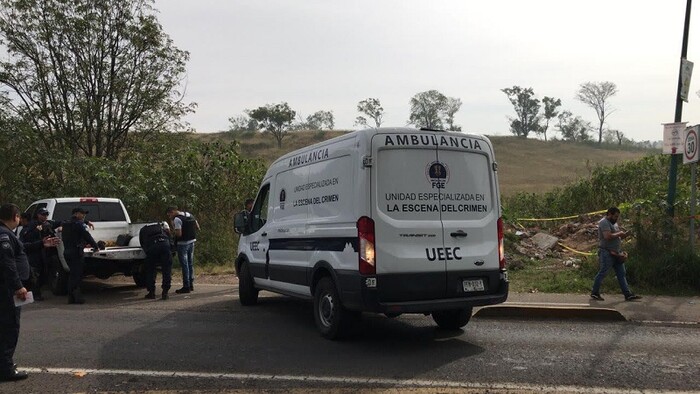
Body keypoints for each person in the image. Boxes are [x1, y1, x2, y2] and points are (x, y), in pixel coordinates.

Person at [0, 203, 30, 382]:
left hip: (5, 288)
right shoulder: (4, 235)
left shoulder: (6, 234)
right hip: (7, 290)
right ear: (15, 217)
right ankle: (5, 370)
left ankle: (4, 364)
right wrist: (18, 286)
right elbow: (7, 263)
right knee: (9, 328)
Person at [591, 207, 641, 301]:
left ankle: (627, 294)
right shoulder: (604, 222)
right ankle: (595, 292)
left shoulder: (614, 224)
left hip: (616, 253)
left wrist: (624, 235)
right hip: (607, 252)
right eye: (615, 216)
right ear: (609, 214)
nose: (616, 218)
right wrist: (619, 234)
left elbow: (616, 236)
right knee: (603, 272)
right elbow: (607, 236)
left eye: (617, 217)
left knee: (621, 273)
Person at [19, 208, 59, 301]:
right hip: (33, 254)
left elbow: (60, 222)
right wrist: (38, 235)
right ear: (38, 215)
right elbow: (25, 242)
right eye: (43, 214)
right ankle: (34, 295)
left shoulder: (47, 224)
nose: (45, 216)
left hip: (44, 254)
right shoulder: (32, 226)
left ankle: (35, 293)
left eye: (46, 214)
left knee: (44, 275)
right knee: (34, 277)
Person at [61, 207, 98, 304]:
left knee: (72, 275)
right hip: (76, 253)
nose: (84, 215)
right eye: (82, 214)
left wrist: (86, 221)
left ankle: (71, 297)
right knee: (76, 276)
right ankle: (77, 297)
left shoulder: (66, 223)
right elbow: (87, 236)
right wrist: (96, 246)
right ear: (76, 214)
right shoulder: (79, 224)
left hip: (67, 252)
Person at [166, 206, 199, 294]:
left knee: (184, 265)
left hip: (182, 243)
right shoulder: (189, 214)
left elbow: (179, 234)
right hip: (192, 241)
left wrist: (173, 227)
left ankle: (186, 286)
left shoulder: (177, 220)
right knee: (190, 263)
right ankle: (191, 284)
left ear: (172, 212)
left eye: (169, 215)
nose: (170, 217)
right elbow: (197, 226)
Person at [138, 222, 173, 300]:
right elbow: (170, 238)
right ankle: (165, 292)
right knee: (167, 270)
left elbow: (142, 243)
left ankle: (151, 293)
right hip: (165, 246)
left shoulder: (143, 230)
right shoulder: (161, 227)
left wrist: (148, 252)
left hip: (153, 248)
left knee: (150, 270)